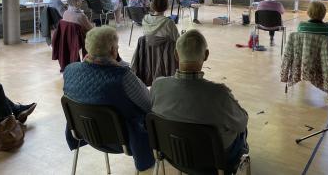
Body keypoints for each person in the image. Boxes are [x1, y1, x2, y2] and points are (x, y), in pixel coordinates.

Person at [151, 30, 249, 172]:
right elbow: (241, 122)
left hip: (172, 154)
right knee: (240, 129)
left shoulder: (158, 85)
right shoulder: (219, 94)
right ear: (206, 55)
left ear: (176, 55)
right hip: (214, 162)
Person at [63, 26, 154, 172]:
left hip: (85, 133)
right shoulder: (122, 77)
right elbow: (148, 105)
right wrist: (122, 65)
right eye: (116, 47)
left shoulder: (70, 70)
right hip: (123, 140)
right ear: (113, 50)